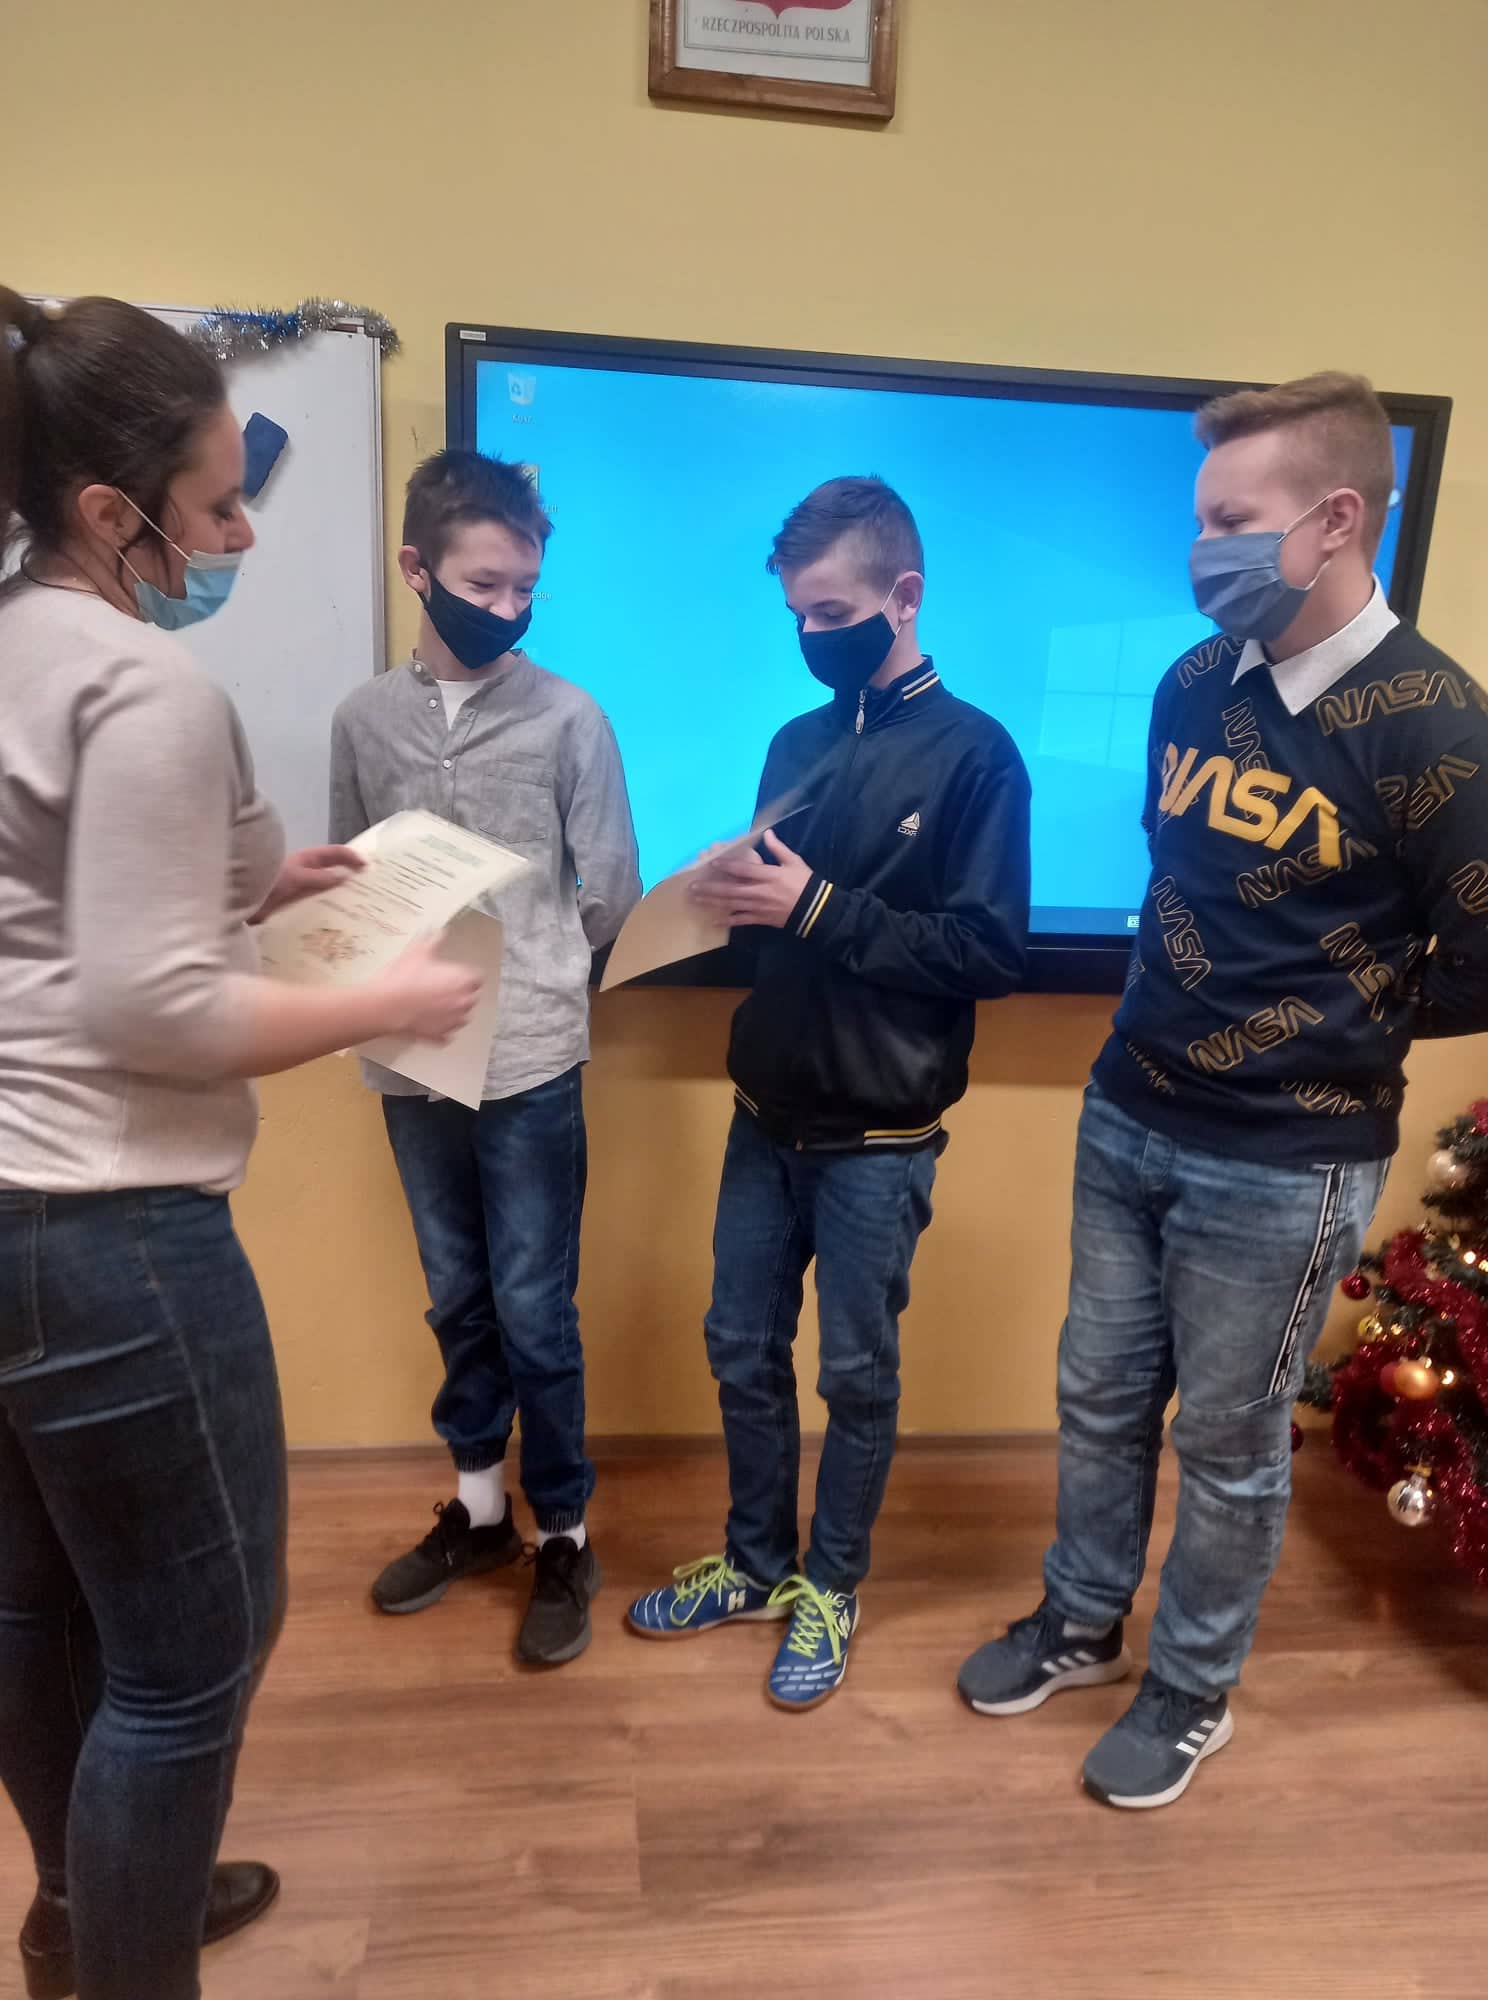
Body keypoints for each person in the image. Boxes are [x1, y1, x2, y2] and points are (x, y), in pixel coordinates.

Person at [0, 290, 480, 2000]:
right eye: (216, 505)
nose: (244, 534)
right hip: (109, 1230)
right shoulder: (141, 682)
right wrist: (383, 999)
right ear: (107, 511)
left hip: (8, 1206)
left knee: (42, 1603)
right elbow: (156, 1012)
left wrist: (255, 887)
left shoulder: (16, 642)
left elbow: (50, 907)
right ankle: (126, 1954)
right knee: (193, 1659)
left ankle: (82, 1915)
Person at [957, 372, 1488, 1808]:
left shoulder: (1439, 727)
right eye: (1201, 520)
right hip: (1127, 1108)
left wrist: (1334, 1023)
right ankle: (1081, 1623)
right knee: (1098, 1393)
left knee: (1232, 1443)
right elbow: (1176, 869)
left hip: (1286, 1162)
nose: (1204, 551)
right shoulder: (1196, 683)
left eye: (1230, 520)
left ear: (1335, 520)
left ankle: (1192, 1691)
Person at [626, 476, 1031, 1709]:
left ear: (905, 596)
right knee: (739, 1346)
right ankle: (757, 1564)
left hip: (880, 1133)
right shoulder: (794, 743)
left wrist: (813, 906)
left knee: (855, 1373)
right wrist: (712, 899)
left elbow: (987, 952)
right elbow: (779, 920)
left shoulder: (978, 755)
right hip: (764, 1112)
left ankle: (832, 1583)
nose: (810, 634)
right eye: (796, 614)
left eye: (832, 612)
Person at [332, 449, 641, 1667]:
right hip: (412, 1056)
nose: (507, 608)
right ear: (418, 569)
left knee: (532, 1304)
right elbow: (348, 871)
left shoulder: (571, 717)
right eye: (483, 584)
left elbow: (610, 891)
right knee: (455, 1291)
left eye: (525, 589)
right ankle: (476, 1511)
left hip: (528, 1057)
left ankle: (564, 1531)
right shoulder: (362, 719)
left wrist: (545, 967)